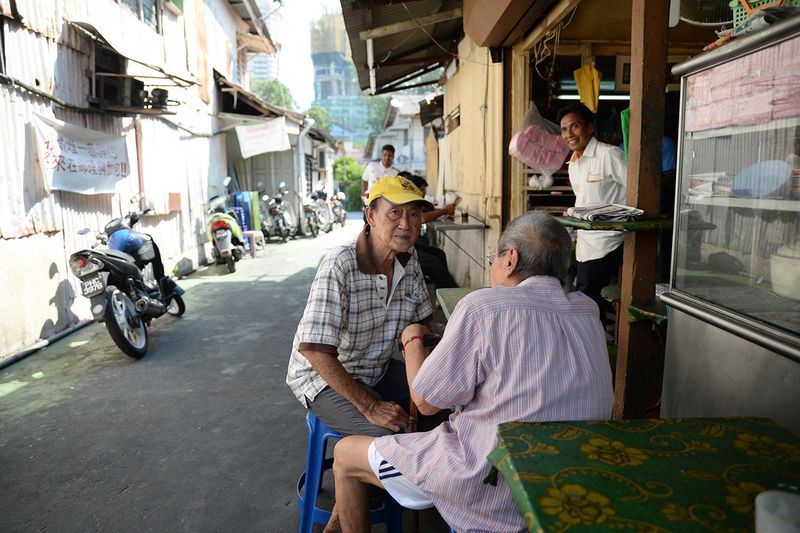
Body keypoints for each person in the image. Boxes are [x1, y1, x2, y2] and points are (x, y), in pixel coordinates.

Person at [330, 210, 614, 532]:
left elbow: (424, 400)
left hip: (495, 484)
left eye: (494, 257)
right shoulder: (587, 311)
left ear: (510, 259)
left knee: (345, 455)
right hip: (574, 479)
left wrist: (411, 340)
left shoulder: (483, 307)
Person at [286, 175, 435, 439]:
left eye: (414, 214)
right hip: (323, 378)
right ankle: (359, 473)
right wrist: (369, 405)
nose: (405, 224)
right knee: (388, 436)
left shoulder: (408, 259)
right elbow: (315, 350)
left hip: (376, 367)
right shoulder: (340, 264)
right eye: (395, 213)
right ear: (371, 216)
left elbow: (422, 324)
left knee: (442, 407)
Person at [557, 102, 628, 314]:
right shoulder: (574, 163)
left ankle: (590, 344)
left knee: (587, 302)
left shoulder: (609, 155)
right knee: (588, 301)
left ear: (589, 127)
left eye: (575, 126)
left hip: (608, 242)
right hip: (586, 242)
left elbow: (636, 191)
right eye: (564, 129)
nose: (569, 133)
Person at [407, 174, 458, 289]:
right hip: (401, 251)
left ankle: (440, 292)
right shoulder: (409, 202)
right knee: (435, 263)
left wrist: (445, 211)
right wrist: (445, 210)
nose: (424, 193)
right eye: (422, 190)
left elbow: (427, 211)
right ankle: (450, 295)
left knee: (439, 254)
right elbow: (423, 218)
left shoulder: (415, 203)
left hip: (410, 246)